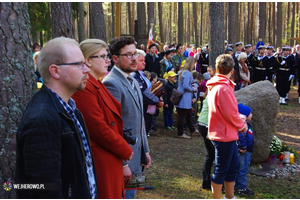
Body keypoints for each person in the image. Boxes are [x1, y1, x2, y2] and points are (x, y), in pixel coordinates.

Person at [15, 37, 97, 198]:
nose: (87, 69)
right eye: (79, 64)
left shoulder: (71, 111)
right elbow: (44, 190)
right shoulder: (42, 120)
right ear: (55, 71)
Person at [71, 39, 133, 199]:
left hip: (108, 157)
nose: (107, 61)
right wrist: (124, 149)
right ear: (88, 61)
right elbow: (97, 127)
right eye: (103, 57)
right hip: (101, 158)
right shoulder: (84, 88)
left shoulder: (95, 84)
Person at [102, 36, 151, 199]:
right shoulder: (111, 84)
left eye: (135, 54)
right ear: (115, 59)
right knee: (125, 197)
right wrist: (123, 164)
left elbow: (140, 119)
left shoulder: (133, 80)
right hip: (124, 160)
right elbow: (112, 127)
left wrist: (146, 150)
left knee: (132, 196)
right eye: (128, 55)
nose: (134, 59)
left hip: (137, 157)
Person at [206, 54, 247, 199]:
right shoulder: (222, 88)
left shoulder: (219, 86)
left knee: (232, 167)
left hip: (226, 133)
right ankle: (217, 198)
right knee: (222, 169)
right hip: (223, 134)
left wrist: (238, 118)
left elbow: (229, 111)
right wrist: (242, 126)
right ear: (231, 70)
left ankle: (229, 196)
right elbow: (230, 113)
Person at [132, 50, 163, 137]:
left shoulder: (140, 74)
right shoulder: (134, 75)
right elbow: (143, 93)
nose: (144, 63)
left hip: (147, 108)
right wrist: (157, 100)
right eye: (141, 61)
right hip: (142, 108)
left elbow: (148, 89)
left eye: (144, 60)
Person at [176, 57, 200, 139]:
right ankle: (180, 133)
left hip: (184, 97)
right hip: (185, 97)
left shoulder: (182, 72)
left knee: (189, 113)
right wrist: (193, 89)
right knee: (183, 115)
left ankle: (192, 129)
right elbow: (186, 86)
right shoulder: (187, 73)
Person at [236, 103, 255, 196]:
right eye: (250, 113)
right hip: (244, 151)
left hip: (247, 150)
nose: (252, 115)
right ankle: (241, 188)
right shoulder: (242, 126)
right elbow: (241, 137)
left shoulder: (247, 124)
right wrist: (243, 147)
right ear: (245, 115)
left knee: (240, 168)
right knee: (242, 169)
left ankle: (235, 185)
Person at [197, 96, 215, 190]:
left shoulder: (211, 93)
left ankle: (207, 182)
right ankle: (216, 183)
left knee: (210, 155)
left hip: (204, 124)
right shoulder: (216, 93)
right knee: (216, 155)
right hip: (208, 126)